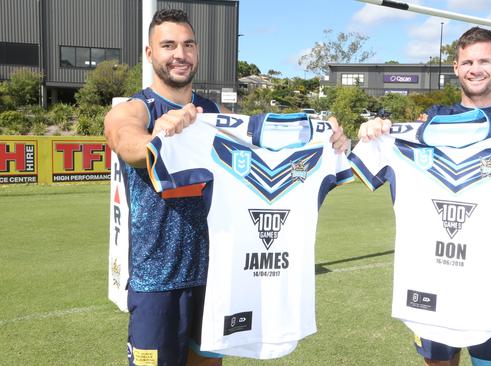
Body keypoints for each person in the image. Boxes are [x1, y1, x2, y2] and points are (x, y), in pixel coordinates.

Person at [104, 9, 348, 366]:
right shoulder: (135, 109)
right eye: (168, 45)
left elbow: (269, 155)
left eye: (188, 45)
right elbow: (127, 142)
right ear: (149, 53)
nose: (180, 54)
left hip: (216, 276)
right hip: (157, 278)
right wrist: (159, 136)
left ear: (197, 51)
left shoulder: (214, 113)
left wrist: (330, 141)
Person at [357, 27, 491, 366]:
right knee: (439, 363)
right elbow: (369, 165)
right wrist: (371, 135)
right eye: (467, 61)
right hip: (433, 272)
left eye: (484, 60)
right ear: (456, 67)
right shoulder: (433, 119)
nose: (475, 68)